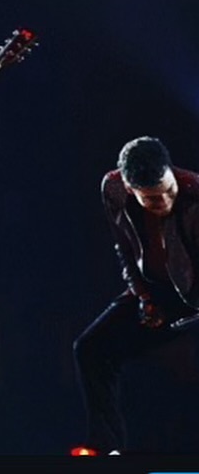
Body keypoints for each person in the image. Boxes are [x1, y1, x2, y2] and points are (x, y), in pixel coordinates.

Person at [73, 136, 199, 455]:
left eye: (167, 192)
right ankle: (106, 449)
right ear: (131, 190)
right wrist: (142, 296)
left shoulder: (195, 192)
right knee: (90, 348)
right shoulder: (113, 189)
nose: (164, 203)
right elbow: (125, 249)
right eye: (153, 200)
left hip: (195, 292)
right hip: (158, 291)